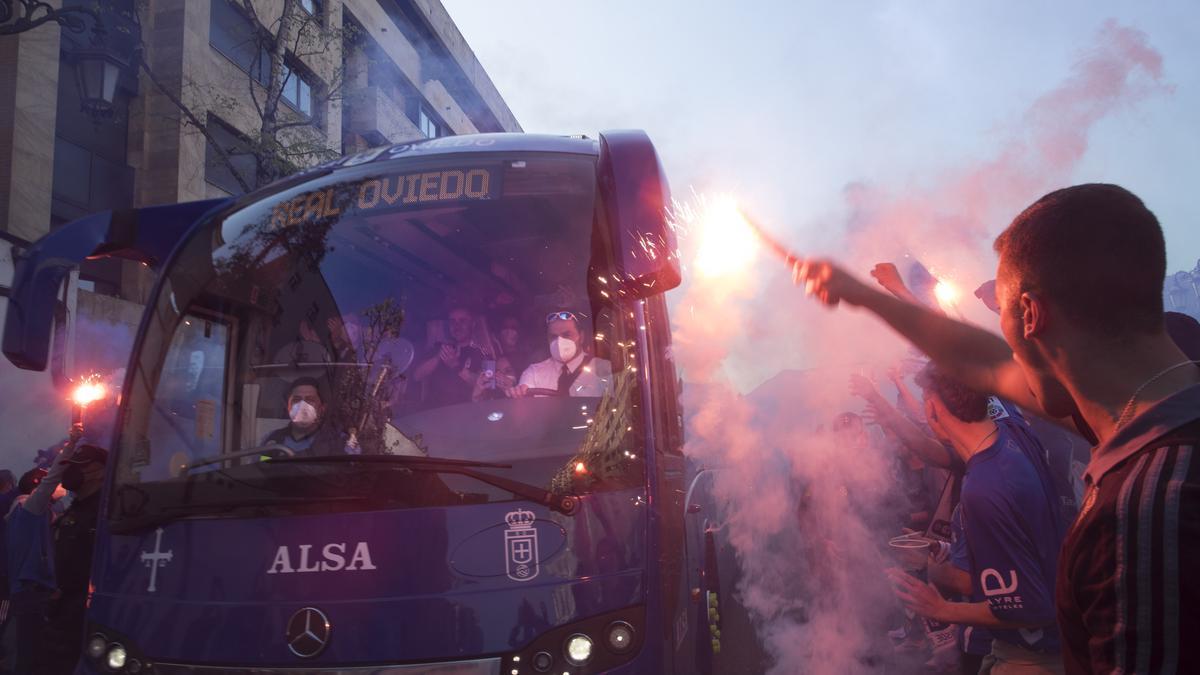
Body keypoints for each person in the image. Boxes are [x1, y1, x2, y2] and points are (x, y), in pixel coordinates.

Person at [793, 183, 1200, 674]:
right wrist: (866, 296)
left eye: (1005, 326)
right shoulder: (1147, 412)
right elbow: (980, 362)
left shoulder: (1152, 506)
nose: (1008, 369)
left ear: (1031, 315)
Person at [888, 364, 1068, 673]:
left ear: (932, 409)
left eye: (926, 399)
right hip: (1056, 642)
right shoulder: (1015, 429)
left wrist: (942, 608)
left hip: (1030, 657)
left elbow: (1033, 607)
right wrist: (943, 551)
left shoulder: (984, 487)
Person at [6, 427, 80, 674]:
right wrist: (72, 444)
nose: (61, 484)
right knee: (29, 658)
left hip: (35, 592)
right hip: (31, 594)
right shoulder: (28, 508)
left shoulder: (38, 513)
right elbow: (51, 482)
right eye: (51, 479)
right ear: (39, 485)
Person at [39, 443, 107, 674]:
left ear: (100, 471)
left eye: (81, 467)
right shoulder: (75, 510)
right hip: (60, 611)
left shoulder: (105, 512)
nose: (73, 472)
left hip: (82, 613)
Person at [509, 311, 612, 398]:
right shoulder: (533, 373)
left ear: (581, 337)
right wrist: (519, 393)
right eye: (553, 337)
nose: (559, 341)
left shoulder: (603, 369)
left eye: (566, 335)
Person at [412, 307, 489, 407]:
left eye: (462, 321)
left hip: (462, 411)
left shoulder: (480, 353)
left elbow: (482, 385)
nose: (457, 326)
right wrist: (438, 357)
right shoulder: (438, 348)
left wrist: (456, 366)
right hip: (431, 411)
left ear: (472, 324)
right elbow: (417, 376)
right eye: (452, 322)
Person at [263, 378, 347, 455]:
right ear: (288, 407)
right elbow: (261, 465)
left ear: (322, 408)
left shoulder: (338, 441)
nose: (302, 405)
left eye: (310, 400)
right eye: (296, 400)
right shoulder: (273, 439)